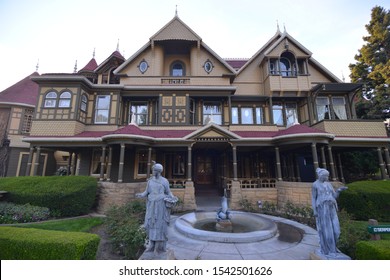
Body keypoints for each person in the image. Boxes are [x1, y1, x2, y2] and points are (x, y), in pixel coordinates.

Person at [136, 163, 178, 255]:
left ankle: (158, 247)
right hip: (151, 205)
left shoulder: (164, 181)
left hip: (160, 205)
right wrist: (141, 195)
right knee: (150, 224)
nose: (153, 172)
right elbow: (147, 191)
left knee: (160, 225)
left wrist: (173, 198)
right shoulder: (150, 181)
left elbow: (168, 192)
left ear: (159, 171)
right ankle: (151, 245)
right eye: (153, 170)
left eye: (154, 170)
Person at [311, 168, 347, 257]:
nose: (327, 177)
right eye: (326, 176)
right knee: (327, 230)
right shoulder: (315, 185)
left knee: (336, 230)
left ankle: (334, 248)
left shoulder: (329, 184)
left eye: (328, 176)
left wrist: (339, 191)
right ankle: (330, 250)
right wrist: (314, 210)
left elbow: (334, 196)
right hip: (322, 209)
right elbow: (313, 198)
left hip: (332, 207)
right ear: (321, 176)